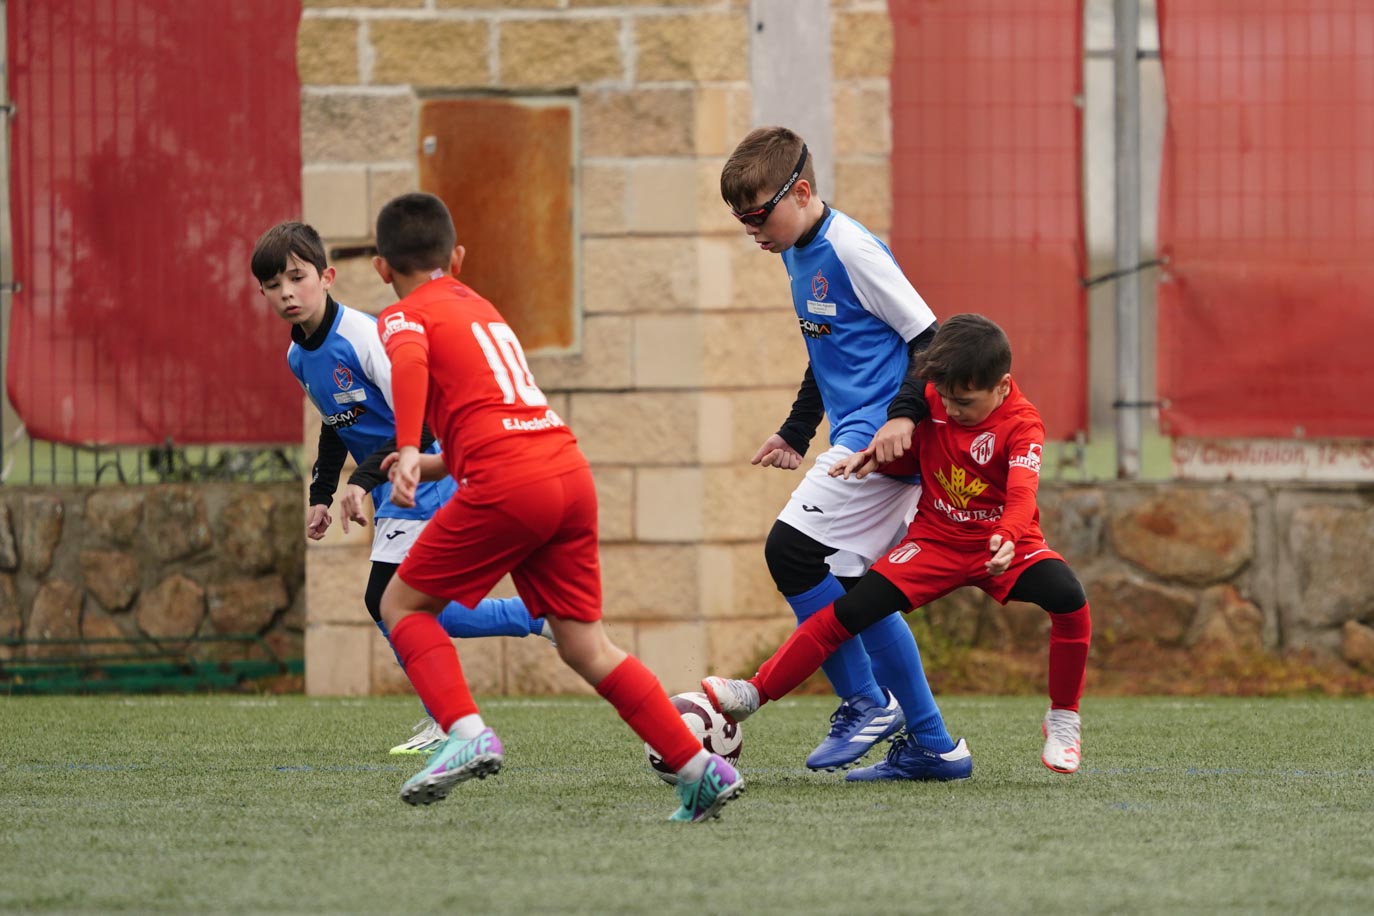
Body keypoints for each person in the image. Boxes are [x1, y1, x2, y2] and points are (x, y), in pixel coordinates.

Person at [370, 192, 744, 821]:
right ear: (456, 258)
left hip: (511, 481)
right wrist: (434, 461)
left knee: (401, 604)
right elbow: (495, 415)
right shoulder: (482, 308)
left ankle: (464, 734)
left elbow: (407, 361)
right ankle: (698, 766)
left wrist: (407, 446)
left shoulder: (405, 314)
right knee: (585, 646)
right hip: (567, 471)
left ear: (382, 268)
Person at [703, 314, 1093, 777]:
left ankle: (1064, 717)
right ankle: (754, 693)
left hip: (1002, 544)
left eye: (964, 402)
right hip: (935, 542)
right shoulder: (933, 397)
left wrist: (1007, 537)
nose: (951, 408)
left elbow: (1023, 493)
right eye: (945, 398)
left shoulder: (1024, 424)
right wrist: (871, 459)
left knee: (1069, 597)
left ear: (1003, 387)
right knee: (846, 614)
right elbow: (912, 449)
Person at [251, 221, 552, 756]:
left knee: (394, 603)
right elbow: (334, 423)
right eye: (273, 285)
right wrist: (322, 494)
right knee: (405, 606)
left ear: (327, 276)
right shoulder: (298, 356)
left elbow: (425, 419)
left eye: (297, 277)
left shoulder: (363, 336)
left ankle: (510, 643)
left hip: (425, 473)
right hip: (392, 482)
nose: (287, 293)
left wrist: (362, 482)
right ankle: (466, 692)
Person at [720, 125, 959, 774]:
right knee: (857, 584)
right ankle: (935, 744)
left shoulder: (851, 249)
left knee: (792, 553)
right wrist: (797, 432)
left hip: (885, 439)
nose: (753, 233)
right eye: (742, 223)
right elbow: (826, 350)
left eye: (758, 217)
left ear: (800, 193)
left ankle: (864, 701)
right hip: (858, 435)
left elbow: (929, 338)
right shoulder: (797, 251)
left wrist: (901, 420)